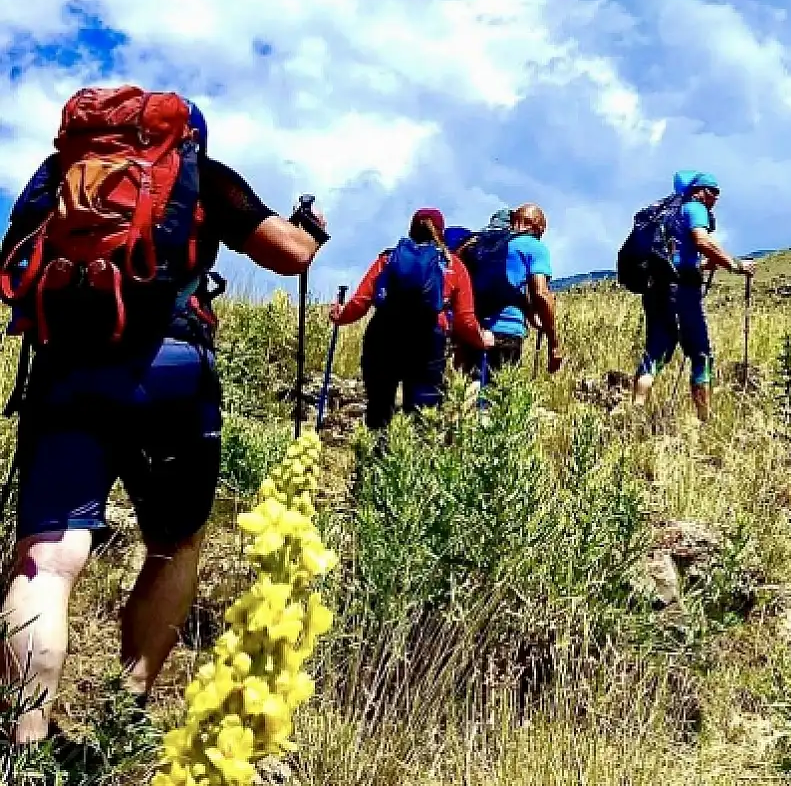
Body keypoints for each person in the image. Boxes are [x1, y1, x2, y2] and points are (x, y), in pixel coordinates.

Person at [0, 92, 326, 749]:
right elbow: (289, 254)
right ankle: (128, 710)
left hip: (69, 373)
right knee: (175, 544)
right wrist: (312, 229)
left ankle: (20, 744)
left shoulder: (59, 171)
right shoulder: (203, 173)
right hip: (173, 372)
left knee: (49, 562)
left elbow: (13, 265)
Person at [331, 208, 491, 428]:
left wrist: (340, 316)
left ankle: (373, 458)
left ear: (411, 228)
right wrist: (482, 338)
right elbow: (465, 320)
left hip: (383, 336)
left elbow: (361, 302)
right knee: (421, 412)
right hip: (427, 342)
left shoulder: (388, 259)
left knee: (379, 407)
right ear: (441, 231)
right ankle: (414, 458)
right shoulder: (453, 266)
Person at [632, 172, 755, 423]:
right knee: (701, 355)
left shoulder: (667, 216)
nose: (716, 198)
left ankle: (636, 407)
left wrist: (710, 263)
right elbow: (702, 241)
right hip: (683, 292)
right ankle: (704, 419)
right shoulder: (695, 209)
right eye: (713, 192)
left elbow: (686, 258)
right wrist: (736, 265)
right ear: (698, 191)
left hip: (656, 288)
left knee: (656, 352)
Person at [462, 204, 560, 376]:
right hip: (507, 331)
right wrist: (554, 346)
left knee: (471, 394)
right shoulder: (533, 246)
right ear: (539, 227)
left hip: (474, 331)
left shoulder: (481, 243)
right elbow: (541, 294)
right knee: (500, 396)